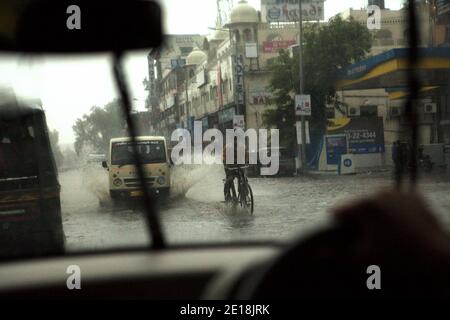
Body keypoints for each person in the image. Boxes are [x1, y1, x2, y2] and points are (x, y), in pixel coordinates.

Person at [222, 136, 248, 202]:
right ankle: (228, 194)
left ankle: (245, 194)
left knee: (244, 178)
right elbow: (224, 157)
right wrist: (225, 164)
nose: (235, 142)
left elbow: (246, 155)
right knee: (230, 179)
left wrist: (247, 162)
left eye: (237, 141)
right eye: (234, 141)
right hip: (230, 166)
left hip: (240, 165)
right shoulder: (227, 147)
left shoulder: (242, 147)